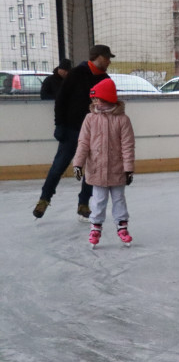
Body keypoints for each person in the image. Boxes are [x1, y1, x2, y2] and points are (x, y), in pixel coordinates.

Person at [33, 45, 114, 220]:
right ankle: (44, 199)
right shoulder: (76, 74)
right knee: (58, 166)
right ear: (98, 57)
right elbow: (61, 100)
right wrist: (59, 125)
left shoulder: (105, 79)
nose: (109, 61)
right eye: (107, 58)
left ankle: (83, 203)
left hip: (95, 133)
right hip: (71, 130)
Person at [71, 78, 135, 248]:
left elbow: (128, 146)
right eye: (94, 99)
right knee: (98, 200)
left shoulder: (122, 120)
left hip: (117, 169)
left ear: (107, 98)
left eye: (98, 98)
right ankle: (95, 227)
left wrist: (128, 169)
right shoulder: (90, 119)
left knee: (119, 199)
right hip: (97, 169)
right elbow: (83, 143)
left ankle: (122, 227)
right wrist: (78, 164)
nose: (95, 101)